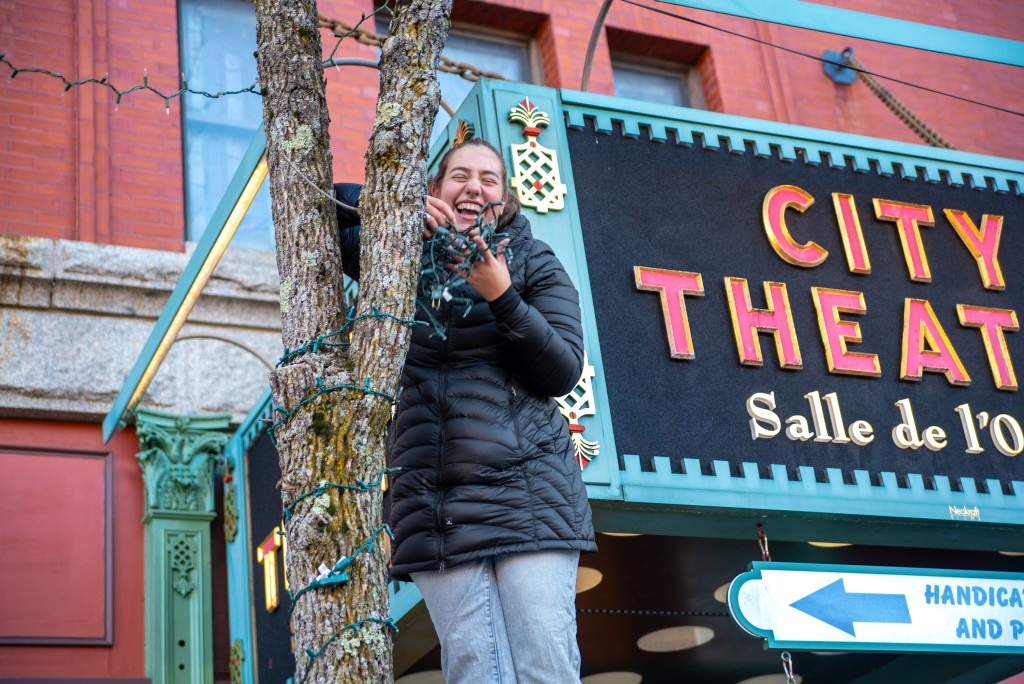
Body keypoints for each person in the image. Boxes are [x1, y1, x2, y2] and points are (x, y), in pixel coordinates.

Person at [336, 137, 596, 683]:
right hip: (433, 503)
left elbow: (563, 372)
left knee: (543, 662)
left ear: (507, 198)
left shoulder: (532, 260)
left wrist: (501, 294)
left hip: (530, 495)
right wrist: (393, 205)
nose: (474, 187)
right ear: (435, 188)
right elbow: (320, 209)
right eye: (459, 175)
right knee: (475, 668)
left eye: (488, 179)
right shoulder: (394, 250)